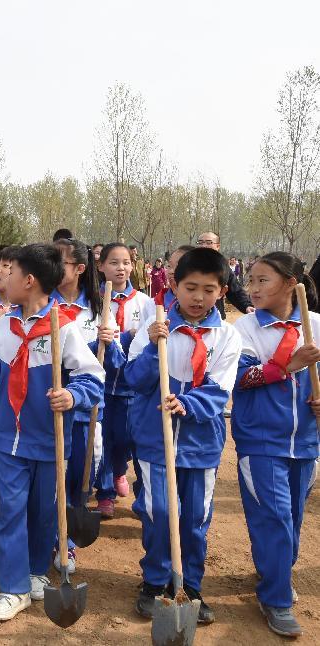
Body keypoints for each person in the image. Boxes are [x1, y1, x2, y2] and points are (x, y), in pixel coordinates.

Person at [0, 243, 103, 621]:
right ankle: (12, 589)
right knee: (10, 513)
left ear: (28, 281)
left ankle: (34, 572)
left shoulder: (64, 329)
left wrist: (72, 394)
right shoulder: (5, 326)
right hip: (10, 441)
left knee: (43, 514)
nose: (1, 277)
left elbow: (93, 377)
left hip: (50, 441)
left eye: (9, 271)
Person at [125, 248, 242, 625]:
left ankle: (189, 586)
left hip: (200, 444)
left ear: (222, 291)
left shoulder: (226, 337)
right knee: (160, 511)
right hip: (154, 438)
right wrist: (150, 349)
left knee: (194, 518)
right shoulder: (154, 327)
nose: (198, 297)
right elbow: (134, 380)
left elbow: (220, 390)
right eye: (190, 287)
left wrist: (186, 404)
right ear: (174, 285)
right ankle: (155, 581)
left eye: (208, 290)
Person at [231, 252, 320, 639]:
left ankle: (275, 571)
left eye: (262, 280)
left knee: (294, 520)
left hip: (306, 442)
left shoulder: (315, 325)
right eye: (250, 280)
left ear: (290, 282)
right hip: (260, 439)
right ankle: (276, 598)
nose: (252, 288)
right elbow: (239, 376)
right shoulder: (245, 329)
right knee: (277, 518)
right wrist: (287, 365)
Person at [52, 238, 119, 571]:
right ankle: (57, 537)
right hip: (51, 410)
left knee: (82, 475)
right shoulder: (42, 304)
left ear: (79, 268)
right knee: (54, 477)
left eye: (59, 262)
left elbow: (115, 363)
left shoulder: (98, 308)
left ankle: (71, 533)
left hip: (89, 412)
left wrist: (109, 342)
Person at [94, 243, 152, 518]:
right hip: (102, 385)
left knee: (131, 438)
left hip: (132, 386)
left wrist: (128, 337)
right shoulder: (93, 301)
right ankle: (105, 492)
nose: (121, 268)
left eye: (126, 262)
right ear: (101, 266)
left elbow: (148, 341)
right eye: (114, 262)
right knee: (104, 439)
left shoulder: (145, 303)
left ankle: (130, 479)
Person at [195, 232, 254, 318]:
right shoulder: (188, 266)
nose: (204, 246)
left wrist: (247, 306)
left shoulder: (223, 268)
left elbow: (235, 291)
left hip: (215, 318)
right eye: (200, 243)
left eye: (208, 243)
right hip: (189, 317)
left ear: (218, 246)